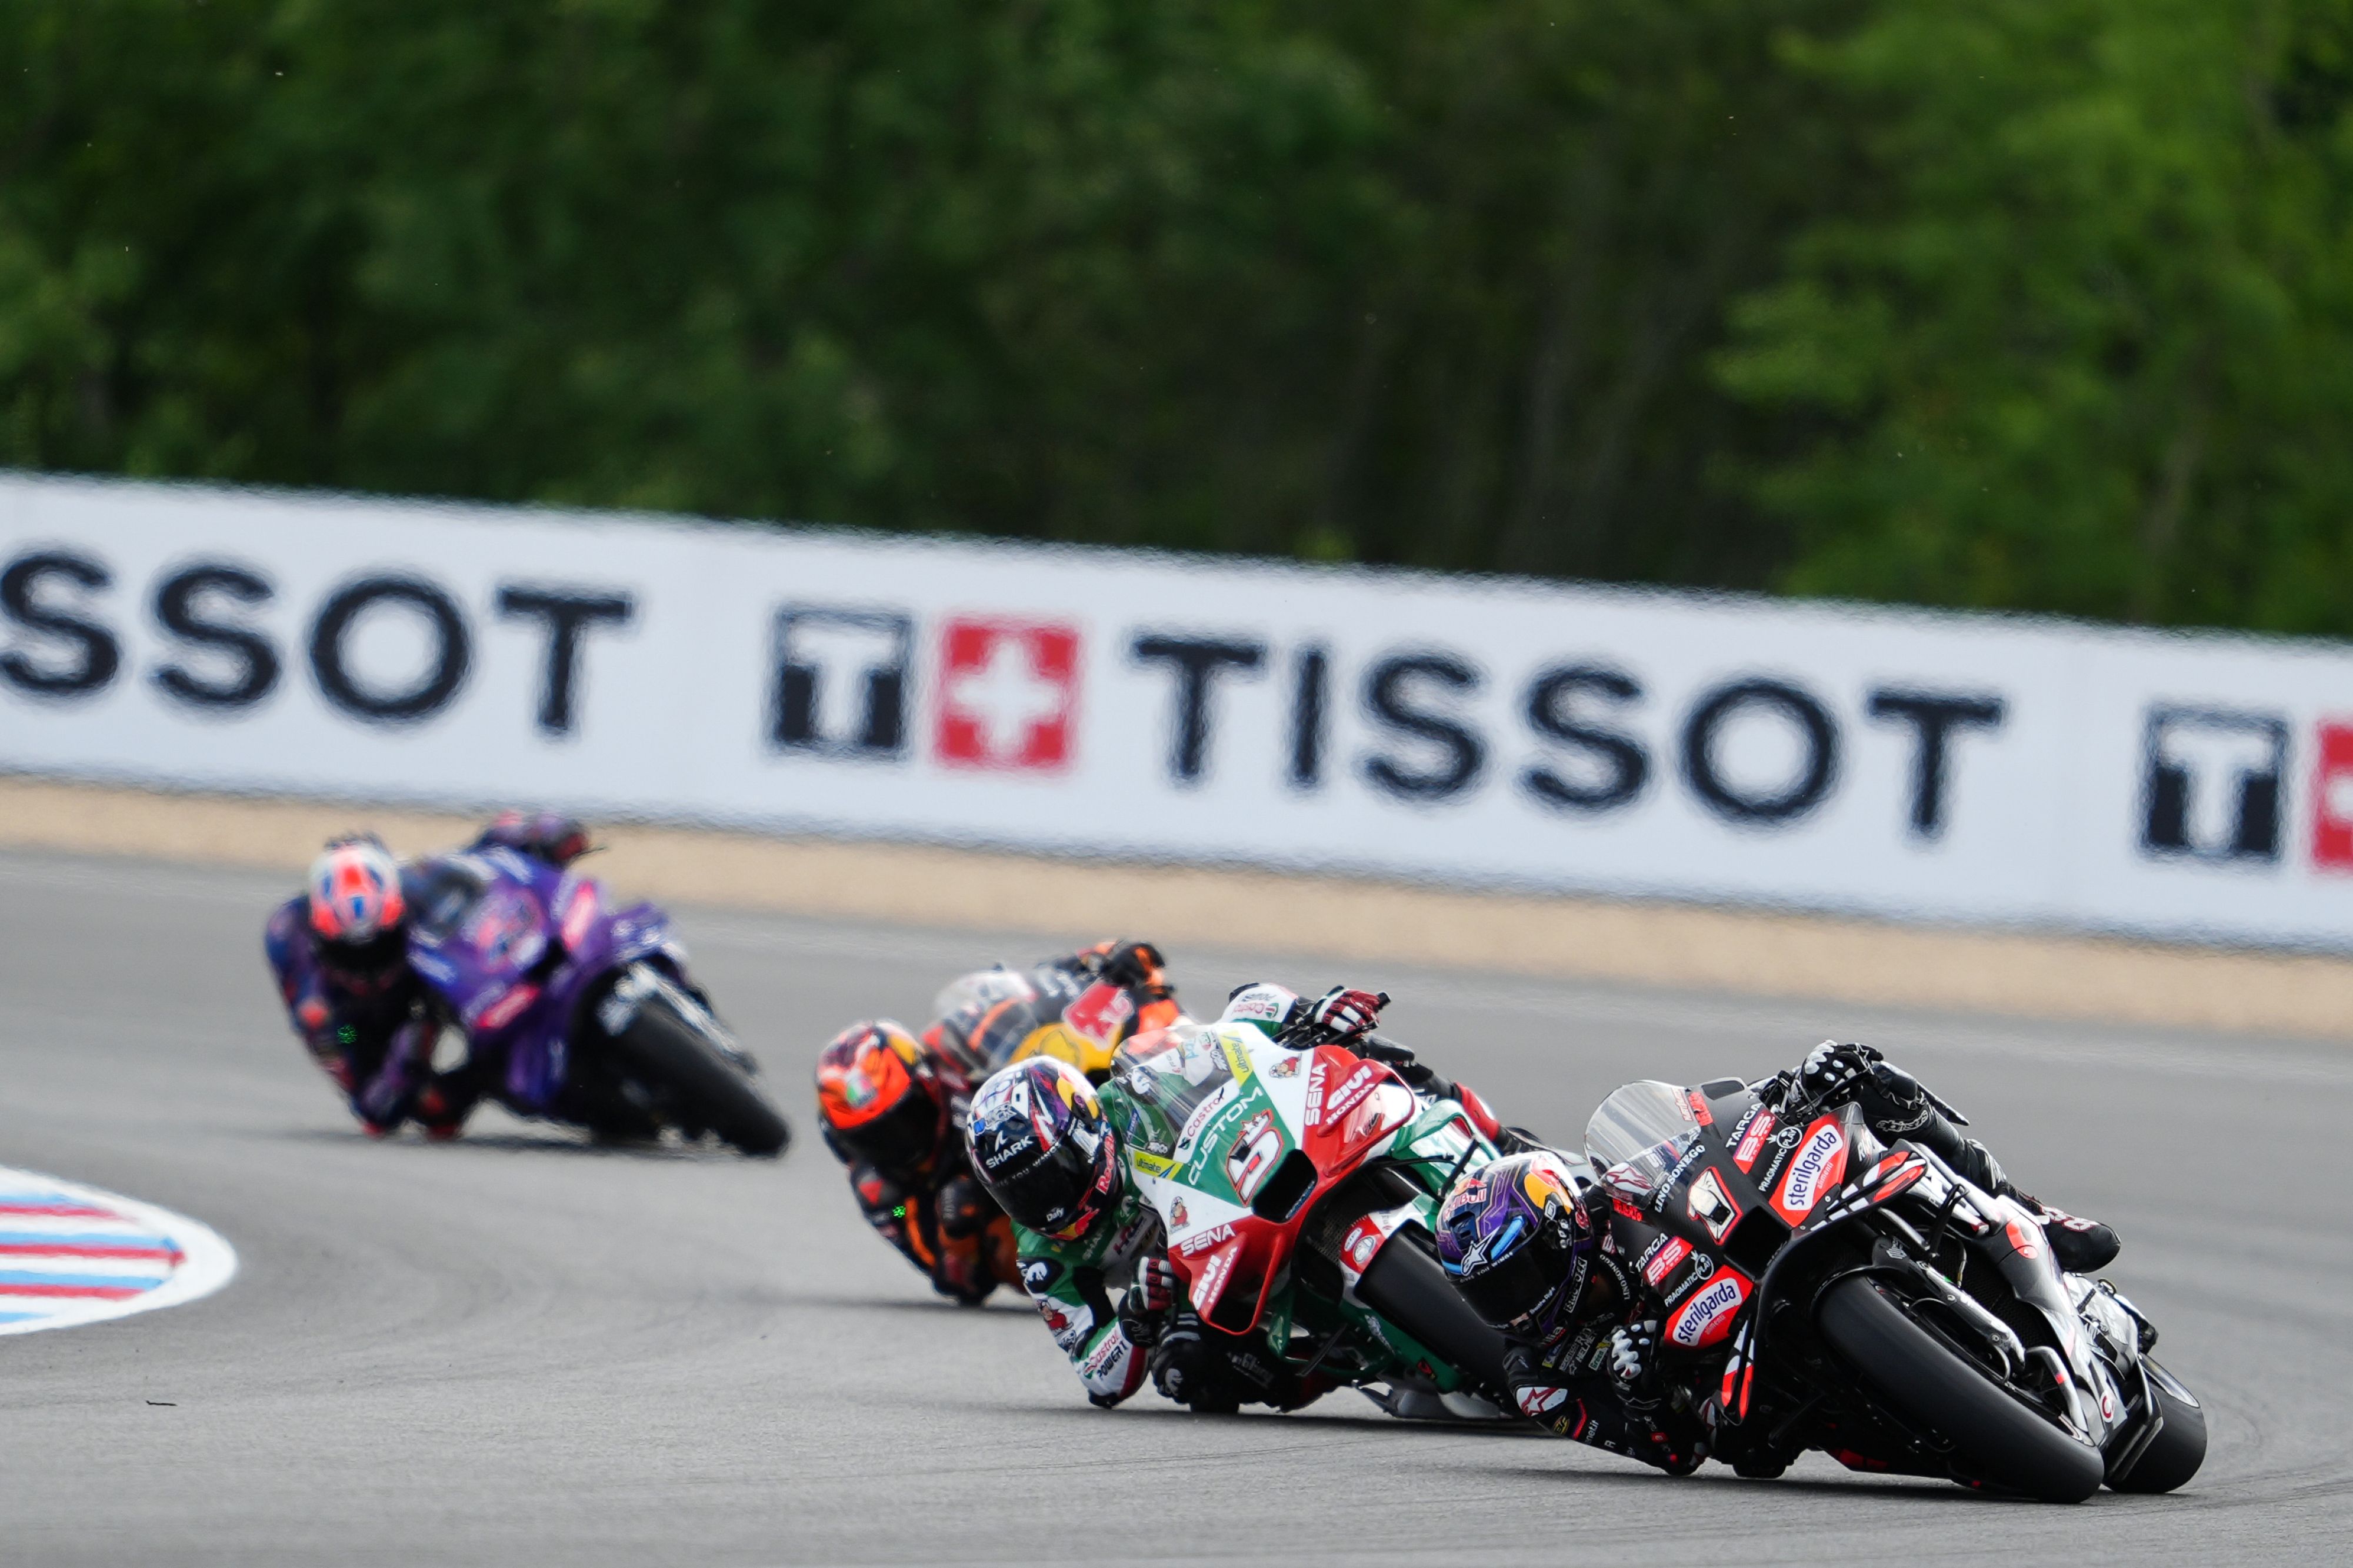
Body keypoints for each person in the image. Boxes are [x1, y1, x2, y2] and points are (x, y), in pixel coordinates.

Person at [1434, 1039, 2122, 1473]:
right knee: (1764, 1448)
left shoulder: (1614, 1202)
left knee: (1862, 1076)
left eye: (1519, 1274)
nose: (1514, 1305)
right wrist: (1644, 1396)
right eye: (1490, 1293)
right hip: (1752, 1403)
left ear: (1563, 1229)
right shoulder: (1537, 1377)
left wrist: (1794, 1087)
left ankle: (2032, 1212)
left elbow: (1702, 1124)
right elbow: (1672, 1454)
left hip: (1760, 1264)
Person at [966, 981, 1511, 1414]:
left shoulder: (1129, 1095)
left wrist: (1309, 1016)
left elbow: (1234, 1026)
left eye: (1052, 1175)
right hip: (1198, 1287)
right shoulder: (1043, 1254)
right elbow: (1096, 1375)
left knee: (1383, 1061)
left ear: (1086, 1128)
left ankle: (1505, 1147)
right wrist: (1136, 1316)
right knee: (1186, 1369)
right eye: (1021, 1193)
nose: (1047, 1204)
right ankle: (1346, 1363)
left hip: (1242, 1185)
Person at [263, 812, 592, 1137]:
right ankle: (494, 1074)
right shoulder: (300, 961)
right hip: (358, 1020)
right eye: (350, 952)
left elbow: (475, 858)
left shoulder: (412, 884)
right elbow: (371, 1106)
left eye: (380, 944)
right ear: (320, 936)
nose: (367, 965)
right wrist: (401, 1050)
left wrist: (531, 834)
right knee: (431, 1109)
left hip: (418, 971)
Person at [814, 1019, 1016, 1305]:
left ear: (927, 1083)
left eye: (907, 1119)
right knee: (965, 1209)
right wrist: (955, 1234)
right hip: (1006, 1217)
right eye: (874, 1140)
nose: (899, 1145)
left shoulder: (959, 1067)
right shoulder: (883, 1194)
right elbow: (952, 1280)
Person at [930, 940, 1185, 1082]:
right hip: (1014, 1055)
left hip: (1072, 1080)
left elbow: (1179, 1039)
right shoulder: (1100, 958)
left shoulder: (1160, 1017)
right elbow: (1049, 968)